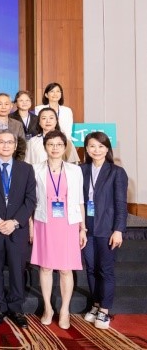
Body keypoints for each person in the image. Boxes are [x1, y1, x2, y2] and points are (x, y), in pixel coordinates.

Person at [0, 130, 36, 329]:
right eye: (2, 142)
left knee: (18, 269)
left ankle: (16, 307)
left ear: (15, 145)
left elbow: (30, 200)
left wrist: (15, 222)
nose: (6, 146)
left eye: (10, 142)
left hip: (17, 229)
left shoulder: (26, 169)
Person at [30, 130, 87, 329]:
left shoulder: (75, 170)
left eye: (59, 145)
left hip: (68, 223)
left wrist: (83, 228)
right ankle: (48, 308)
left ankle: (64, 310)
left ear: (65, 147)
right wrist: (30, 226)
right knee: (45, 267)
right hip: (44, 222)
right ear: (45, 147)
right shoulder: (35, 169)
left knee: (65, 268)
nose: (55, 148)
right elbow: (30, 200)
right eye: (51, 144)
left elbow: (80, 201)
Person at [81, 131, 128, 330]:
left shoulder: (116, 172)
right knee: (91, 268)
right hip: (86, 227)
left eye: (101, 146)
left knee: (105, 269)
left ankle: (105, 310)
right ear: (87, 148)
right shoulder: (81, 170)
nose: (96, 150)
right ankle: (96, 303)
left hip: (107, 228)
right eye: (92, 146)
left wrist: (118, 230)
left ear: (107, 148)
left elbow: (121, 204)